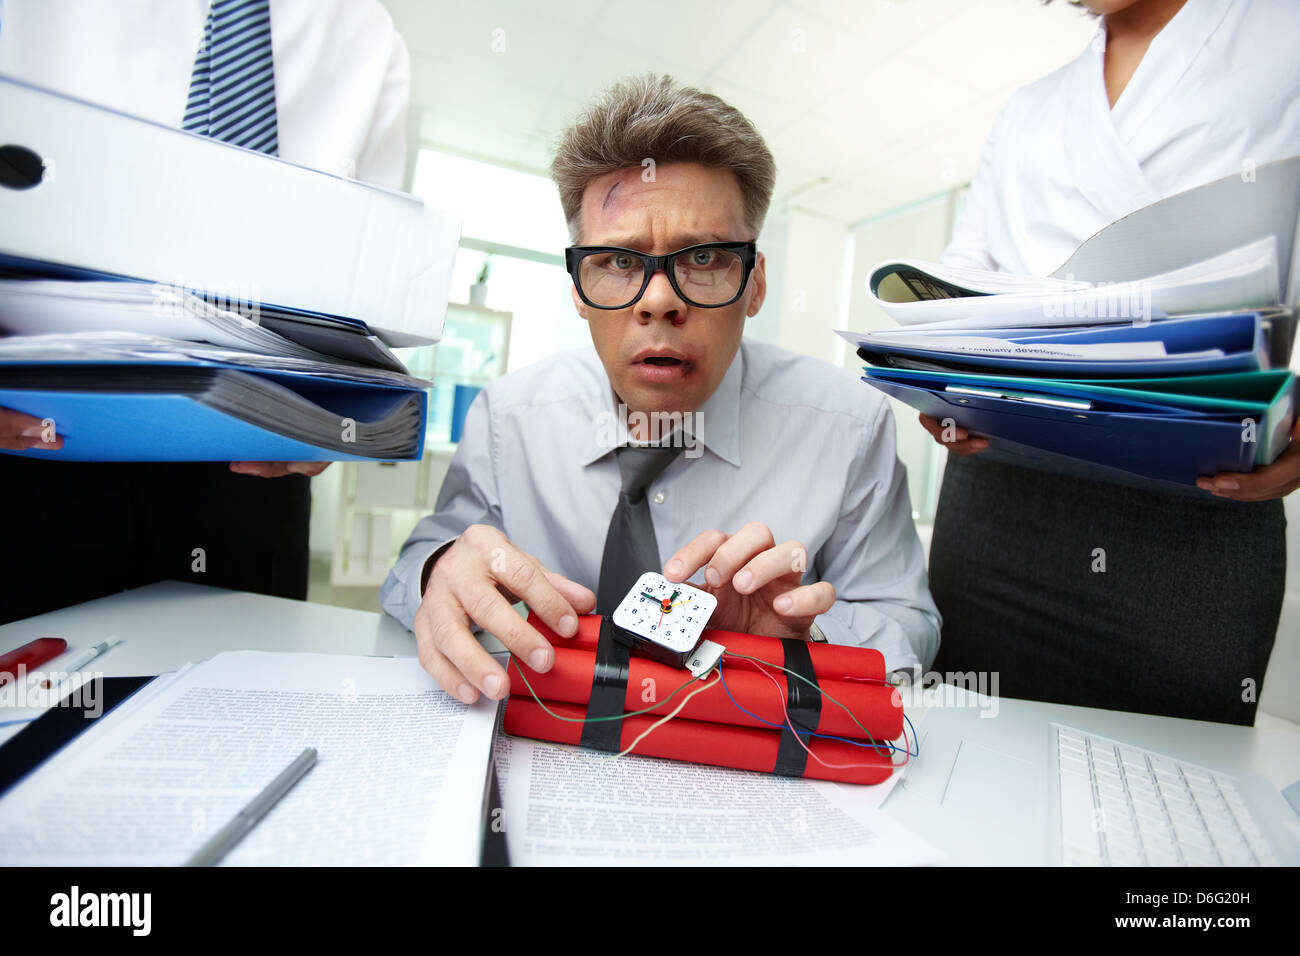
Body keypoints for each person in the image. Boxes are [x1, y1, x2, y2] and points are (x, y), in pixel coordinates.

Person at [382, 75, 940, 705]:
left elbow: (908, 627)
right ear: (577, 286)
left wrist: (800, 642)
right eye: (619, 262)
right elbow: (418, 565)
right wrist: (441, 572)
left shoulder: (849, 427)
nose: (660, 300)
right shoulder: (509, 418)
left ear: (755, 284)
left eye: (703, 258)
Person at [921, 0, 1300, 724]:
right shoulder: (1028, 109)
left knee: (1181, 794)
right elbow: (962, 278)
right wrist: (942, 389)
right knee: (977, 761)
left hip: (1199, 511)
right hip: (1000, 505)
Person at [0, 0, 409, 622]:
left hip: (251, 470)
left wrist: (336, 420)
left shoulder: (365, 31)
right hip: (32, 441)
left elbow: (365, 282)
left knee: (234, 695)